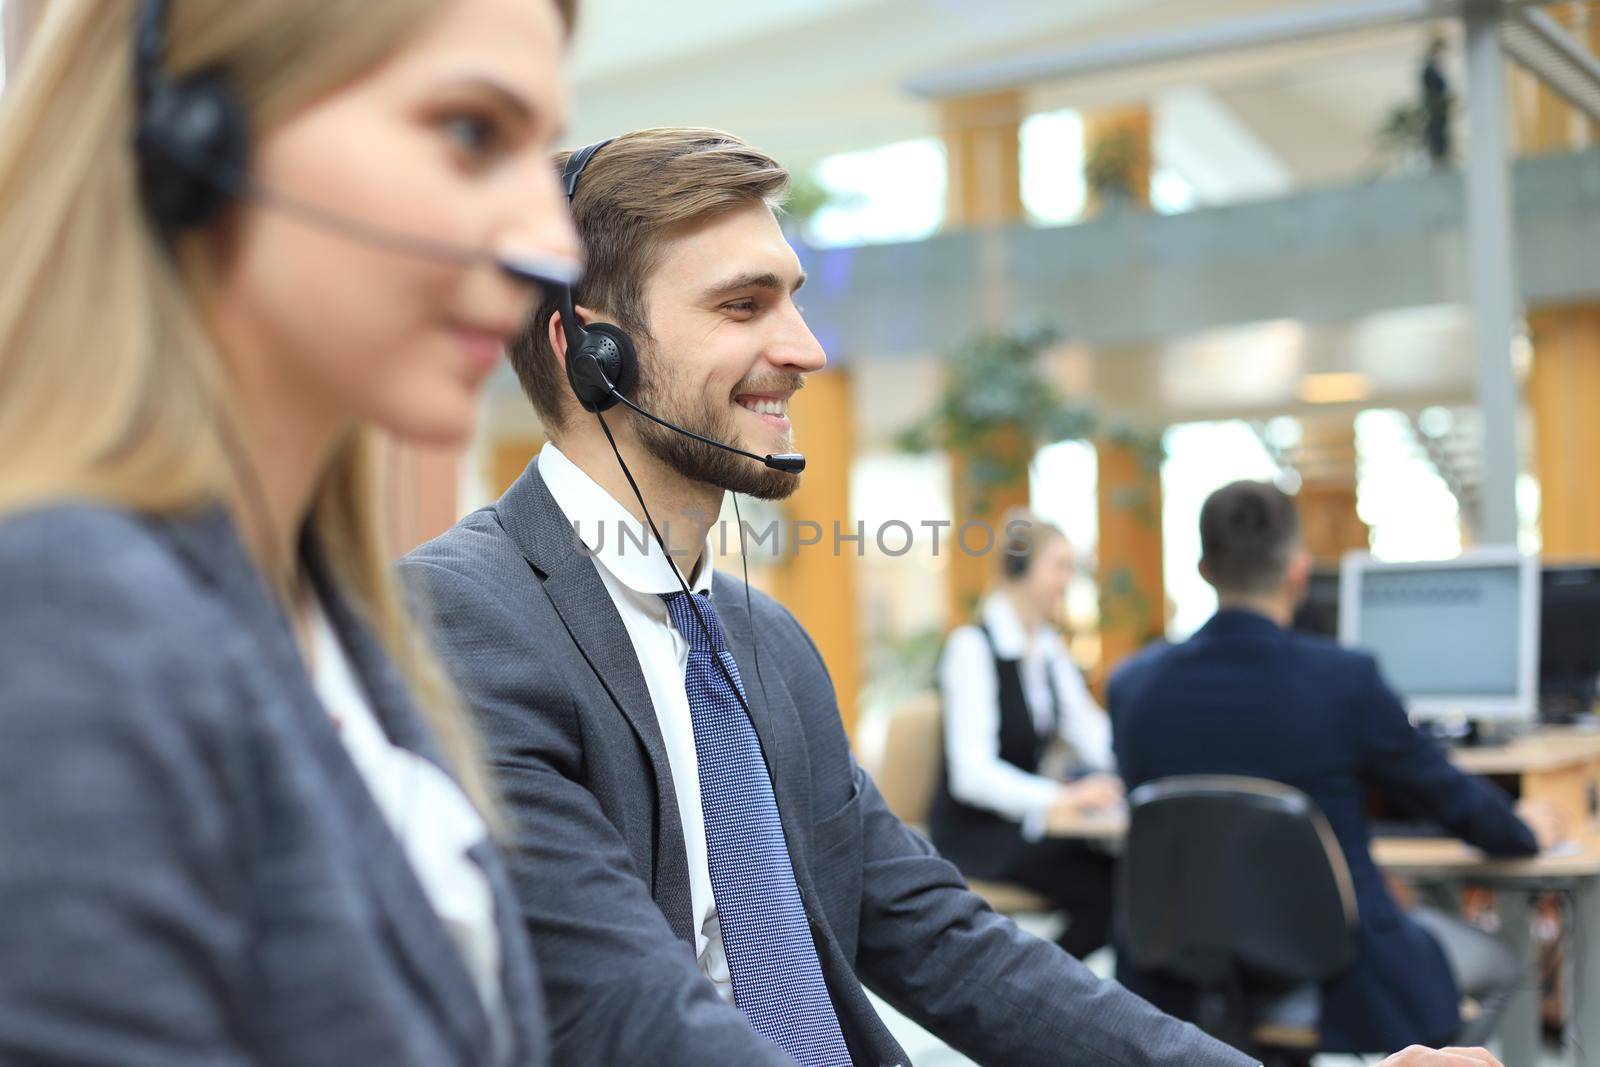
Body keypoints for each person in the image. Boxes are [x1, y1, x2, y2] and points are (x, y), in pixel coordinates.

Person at [400, 127, 1494, 1067]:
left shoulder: (760, 641)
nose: (806, 350)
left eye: (793, 301)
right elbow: (622, 1005)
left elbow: (945, 937)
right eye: (744, 305)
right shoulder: (461, 617)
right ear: (586, 352)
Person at [0, 1, 578, 1064]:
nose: (551, 242)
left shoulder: (324, 610)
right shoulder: (63, 616)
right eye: (469, 133)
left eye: (539, 152)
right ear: (192, 138)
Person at [1109, 480, 1565, 1055]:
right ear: (1299, 569)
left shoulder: (1133, 687)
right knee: (1500, 967)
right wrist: (1522, 828)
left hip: (1177, 973)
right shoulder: (1342, 680)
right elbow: (1442, 793)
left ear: (1203, 569)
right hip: (1338, 972)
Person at [928, 510, 1122, 960]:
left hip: (1022, 824)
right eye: (1059, 567)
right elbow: (971, 775)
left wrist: (1141, 760)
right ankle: (1034, 996)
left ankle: (1031, 991)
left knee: (1124, 880)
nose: (1067, 581)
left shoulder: (1048, 649)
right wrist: (1059, 799)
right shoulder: (972, 647)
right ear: (1021, 570)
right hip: (975, 834)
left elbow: (1092, 733)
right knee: (1112, 892)